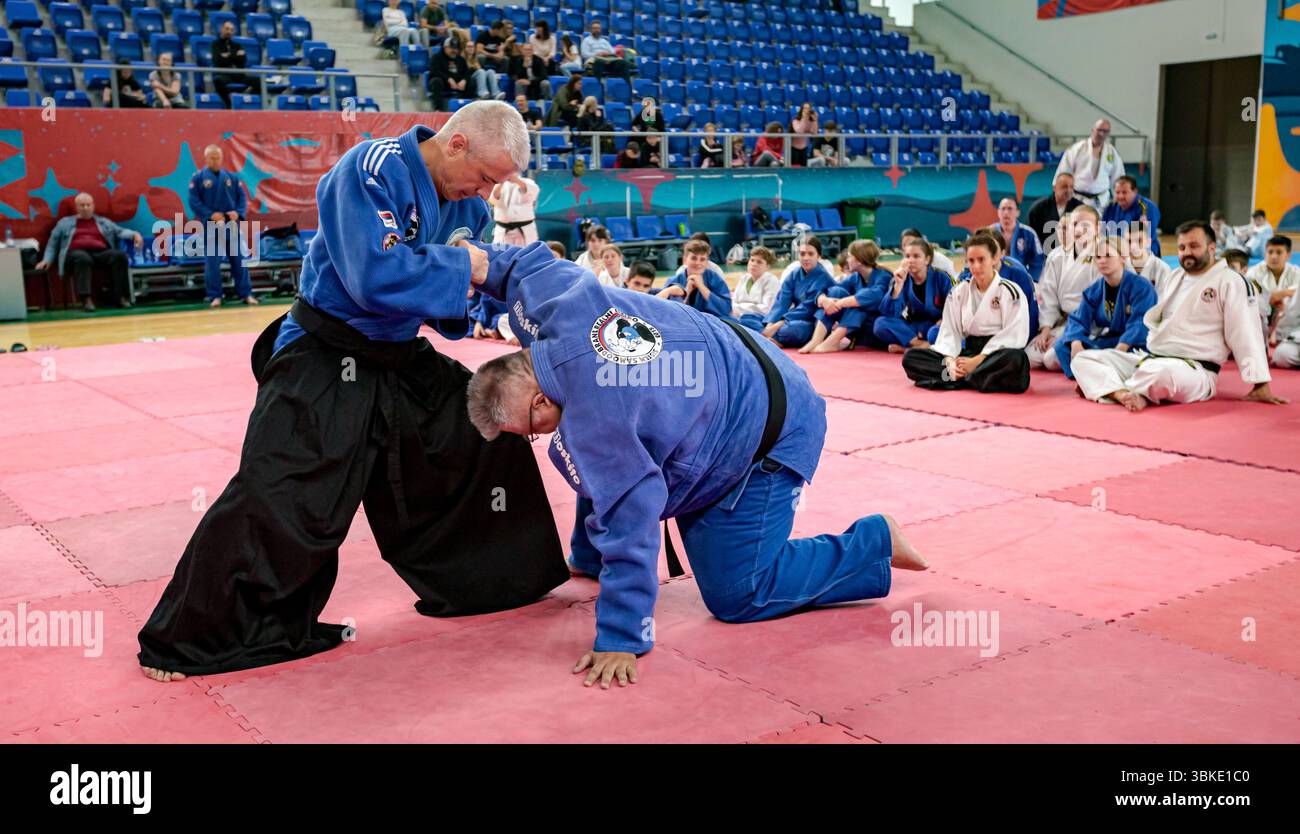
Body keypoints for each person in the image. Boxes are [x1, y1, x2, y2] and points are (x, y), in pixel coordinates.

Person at [137, 102, 569, 682]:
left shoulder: (467, 203)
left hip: (395, 353)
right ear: (458, 143)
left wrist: (525, 306)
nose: (488, 193)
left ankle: (494, 583)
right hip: (324, 348)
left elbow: (459, 300)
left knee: (486, 424)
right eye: (487, 177)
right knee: (284, 488)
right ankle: (194, 638)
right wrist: (466, 266)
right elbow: (375, 275)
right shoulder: (371, 168)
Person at [462, 243, 928, 688]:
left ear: (538, 398)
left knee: (738, 592)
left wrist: (622, 636)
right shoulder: (553, 306)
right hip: (729, 359)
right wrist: (470, 268)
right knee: (582, 445)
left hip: (767, 428)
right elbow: (517, 265)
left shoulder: (599, 419)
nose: (535, 436)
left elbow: (632, 519)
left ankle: (874, 542)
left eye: (529, 428)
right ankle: (589, 554)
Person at [1070, 221, 1286, 411]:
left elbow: (1245, 332)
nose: (1186, 252)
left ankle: (1110, 387)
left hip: (1194, 369)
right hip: (1150, 358)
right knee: (1083, 359)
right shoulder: (1176, 277)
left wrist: (1260, 382)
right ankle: (1122, 393)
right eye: (1182, 247)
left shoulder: (1231, 281)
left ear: (1212, 248)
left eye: (1194, 246)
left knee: (1161, 374)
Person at [901, 233, 1031, 393]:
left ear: (995, 258)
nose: (975, 266)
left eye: (981, 259)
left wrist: (979, 360)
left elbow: (1014, 334)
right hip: (967, 353)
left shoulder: (1010, 291)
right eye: (971, 261)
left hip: (995, 354)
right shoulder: (959, 291)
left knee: (1017, 359)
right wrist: (950, 361)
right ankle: (970, 377)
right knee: (911, 358)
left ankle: (958, 378)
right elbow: (950, 332)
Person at [1054, 235, 1157, 380]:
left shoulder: (1141, 287)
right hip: (1110, 341)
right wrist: (1076, 343)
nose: (1102, 261)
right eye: (1098, 257)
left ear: (1122, 257)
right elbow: (1078, 319)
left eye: (1108, 255)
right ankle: (1093, 373)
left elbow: (1140, 321)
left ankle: (1093, 372)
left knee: (1133, 358)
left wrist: (1119, 351)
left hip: (1134, 344)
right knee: (1061, 346)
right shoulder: (1094, 290)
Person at [35, 192, 141, 312]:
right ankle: (86, 299)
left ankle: (120, 297)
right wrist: (47, 259)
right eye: (82, 205)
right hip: (76, 253)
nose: (85, 208)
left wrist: (134, 234)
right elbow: (52, 244)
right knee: (83, 258)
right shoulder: (64, 223)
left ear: (93, 206)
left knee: (119, 256)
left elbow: (120, 232)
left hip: (100, 252)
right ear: (77, 207)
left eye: (88, 205)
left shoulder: (103, 222)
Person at [1027, 206, 1100, 371]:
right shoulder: (1056, 256)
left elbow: (1098, 305)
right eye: (1075, 224)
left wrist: (1067, 333)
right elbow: (1049, 296)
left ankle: (1090, 353)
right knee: (1030, 356)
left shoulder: (1103, 255)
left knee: (1050, 359)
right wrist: (1046, 330)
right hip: (1062, 321)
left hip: (1090, 325)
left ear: (1097, 228)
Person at [187, 145, 256, 308]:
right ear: (205, 159)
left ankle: (245, 294)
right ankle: (215, 296)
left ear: (222, 157)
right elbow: (193, 201)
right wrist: (210, 214)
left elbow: (242, 198)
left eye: (217, 157)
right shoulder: (198, 178)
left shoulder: (231, 177)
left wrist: (237, 213)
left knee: (239, 260)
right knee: (212, 262)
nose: (215, 160)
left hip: (231, 224)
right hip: (211, 225)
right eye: (211, 157)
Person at [800, 239, 891, 353]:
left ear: (859, 260)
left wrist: (840, 303)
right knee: (836, 291)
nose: (847, 260)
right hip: (859, 328)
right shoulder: (856, 276)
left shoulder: (883, 276)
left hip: (876, 329)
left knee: (859, 305)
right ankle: (816, 340)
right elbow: (832, 288)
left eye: (849, 256)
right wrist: (823, 299)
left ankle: (832, 342)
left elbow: (873, 296)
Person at [873, 237, 956, 353]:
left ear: (927, 260)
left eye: (916, 256)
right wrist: (898, 285)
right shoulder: (902, 279)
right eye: (907, 256)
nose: (910, 260)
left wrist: (944, 320)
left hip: (938, 326)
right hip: (914, 328)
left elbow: (957, 307)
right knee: (880, 324)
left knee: (936, 333)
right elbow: (889, 313)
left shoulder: (942, 277)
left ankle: (907, 348)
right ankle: (922, 346)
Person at [762, 235, 835, 347]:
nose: (806, 258)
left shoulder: (823, 278)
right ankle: (772, 336)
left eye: (810, 254)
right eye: (802, 254)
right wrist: (770, 323)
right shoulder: (793, 275)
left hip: (811, 322)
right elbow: (782, 302)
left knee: (789, 330)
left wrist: (777, 325)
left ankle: (775, 338)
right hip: (791, 318)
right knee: (749, 319)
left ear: (819, 256)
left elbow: (807, 309)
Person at [1055, 119, 1125, 210]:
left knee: (1100, 223)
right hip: (1078, 198)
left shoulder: (1111, 152)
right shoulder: (1077, 149)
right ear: (1092, 130)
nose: (1102, 134)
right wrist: (1059, 194)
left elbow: (1118, 177)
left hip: (1102, 200)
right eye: (1099, 130)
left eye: (1105, 131)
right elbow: (1063, 173)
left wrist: (1119, 196)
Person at [657, 238, 732, 317]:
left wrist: (702, 287)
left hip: (712, 322)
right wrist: (687, 291)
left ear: (707, 262)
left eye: (702, 259)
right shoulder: (673, 282)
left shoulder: (715, 279)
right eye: (693, 258)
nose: (697, 263)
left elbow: (726, 310)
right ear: (685, 260)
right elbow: (669, 313)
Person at [1101, 176, 1161, 257]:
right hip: (1116, 252)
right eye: (1117, 192)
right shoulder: (1110, 208)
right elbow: (1103, 234)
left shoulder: (1146, 207)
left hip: (1143, 253)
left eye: (1124, 192)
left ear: (1135, 191)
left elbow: (1140, 239)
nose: (1121, 196)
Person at [990, 197, 1043, 280]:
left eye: (1010, 209)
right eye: (1003, 209)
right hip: (994, 279)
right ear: (998, 212)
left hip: (1020, 278)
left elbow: (1038, 261)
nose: (1006, 212)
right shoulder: (989, 233)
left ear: (1017, 212)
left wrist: (1031, 280)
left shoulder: (1029, 233)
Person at [1027, 172, 1083, 250]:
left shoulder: (1080, 208)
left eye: (1071, 187)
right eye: (1064, 187)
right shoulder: (1038, 209)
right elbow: (1031, 237)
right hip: (1044, 255)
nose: (1069, 190)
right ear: (1055, 187)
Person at [732, 245, 781, 331]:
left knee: (745, 321)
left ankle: (764, 336)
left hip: (761, 319)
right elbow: (733, 302)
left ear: (767, 266)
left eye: (759, 262)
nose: (754, 264)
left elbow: (766, 309)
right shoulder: (744, 278)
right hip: (738, 315)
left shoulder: (771, 281)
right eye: (752, 260)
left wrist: (741, 309)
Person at [489, 172, 539, 246]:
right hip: (502, 230)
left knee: (527, 254)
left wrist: (516, 180)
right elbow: (493, 199)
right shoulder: (497, 184)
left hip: (525, 230)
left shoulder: (528, 182)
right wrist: (502, 182)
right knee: (499, 254)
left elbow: (531, 194)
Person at [212, 21, 252, 107]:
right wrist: (235, 56)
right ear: (221, 29)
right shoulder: (215, 44)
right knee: (217, 80)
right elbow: (218, 60)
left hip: (239, 75)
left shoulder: (237, 45)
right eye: (227, 29)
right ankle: (229, 104)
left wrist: (227, 56)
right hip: (225, 74)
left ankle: (247, 103)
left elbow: (243, 60)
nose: (229, 32)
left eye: (231, 30)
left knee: (259, 81)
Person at [427, 38, 469, 111]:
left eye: (456, 48)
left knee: (471, 81)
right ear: (445, 47)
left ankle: (468, 106)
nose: (454, 51)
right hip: (442, 83)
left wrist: (464, 80)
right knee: (436, 81)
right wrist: (448, 79)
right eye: (451, 48)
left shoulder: (461, 59)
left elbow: (467, 73)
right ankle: (438, 109)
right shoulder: (436, 57)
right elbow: (435, 72)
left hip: (458, 84)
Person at [631, 98, 665, 167]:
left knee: (662, 143)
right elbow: (633, 124)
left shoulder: (658, 115)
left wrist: (658, 138)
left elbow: (662, 130)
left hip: (656, 137)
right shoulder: (642, 113)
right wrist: (637, 132)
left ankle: (660, 161)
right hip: (644, 137)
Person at [790, 103, 817, 167]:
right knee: (795, 167)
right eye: (805, 108)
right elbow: (800, 131)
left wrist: (815, 120)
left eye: (808, 108)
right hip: (794, 148)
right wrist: (804, 118)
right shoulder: (795, 121)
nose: (806, 110)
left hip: (804, 148)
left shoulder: (811, 121)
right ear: (801, 110)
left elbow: (814, 132)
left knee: (804, 167)